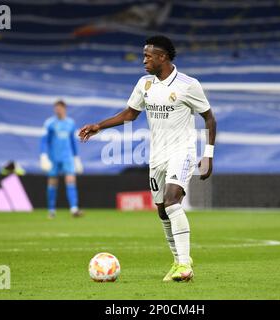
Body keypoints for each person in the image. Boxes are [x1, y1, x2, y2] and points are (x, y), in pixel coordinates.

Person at [79, 35, 216, 282]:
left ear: (162, 57)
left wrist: (208, 155)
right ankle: (177, 261)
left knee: (173, 201)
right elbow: (131, 114)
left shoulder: (188, 84)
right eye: (144, 55)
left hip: (182, 152)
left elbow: (209, 118)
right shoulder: (145, 84)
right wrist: (99, 126)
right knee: (163, 211)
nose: (144, 60)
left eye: (148, 56)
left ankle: (185, 265)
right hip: (157, 156)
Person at [40, 100, 84, 218]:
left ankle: (74, 209)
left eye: (59, 108)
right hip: (53, 157)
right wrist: (43, 155)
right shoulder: (49, 123)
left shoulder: (71, 123)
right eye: (56, 108)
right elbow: (44, 140)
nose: (57, 110)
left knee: (70, 180)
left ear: (64, 109)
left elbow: (73, 142)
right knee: (52, 182)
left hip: (67, 157)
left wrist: (76, 158)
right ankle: (51, 210)